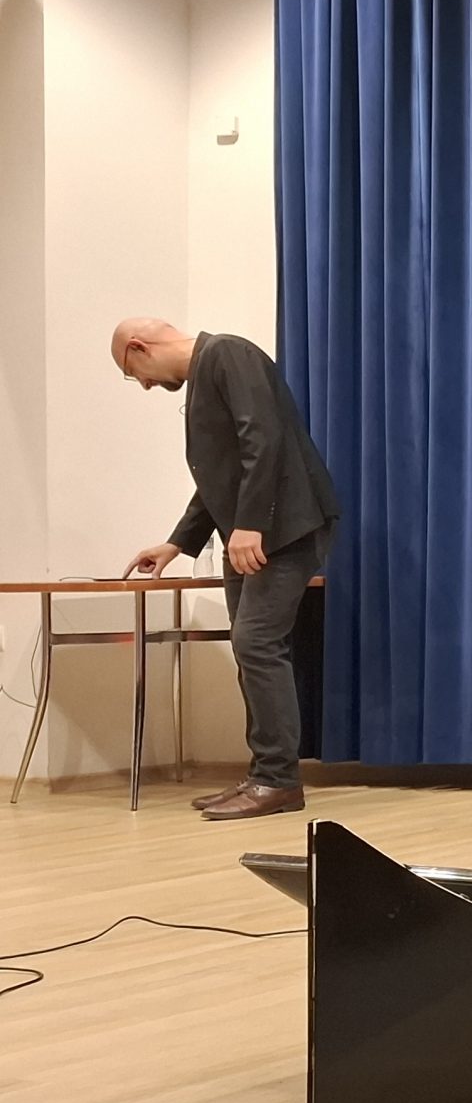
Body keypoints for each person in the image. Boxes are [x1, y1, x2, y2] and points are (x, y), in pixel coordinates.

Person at [113, 319, 339, 821]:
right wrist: (178, 543)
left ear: (139, 347)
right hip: (256, 530)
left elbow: (265, 440)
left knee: (257, 643)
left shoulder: (227, 353)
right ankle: (264, 774)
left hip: (285, 527)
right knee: (250, 646)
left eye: (135, 374)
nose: (145, 385)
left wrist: (252, 524)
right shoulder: (205, 373)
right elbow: (221, 474)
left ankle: (278, 781)